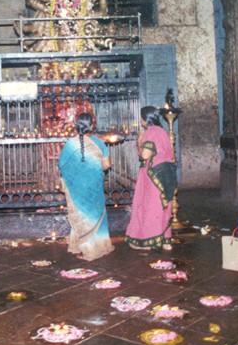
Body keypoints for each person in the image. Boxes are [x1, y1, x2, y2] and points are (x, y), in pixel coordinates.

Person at [58, 112, 114, 261]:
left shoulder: (70, 144)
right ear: (92, 125)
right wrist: (92, 167)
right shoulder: (99, 143)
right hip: (94, 185)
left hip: (77, 186)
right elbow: (107, 165)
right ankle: (95, 247)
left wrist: (78, 173)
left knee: (81, 214)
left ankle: (84, 248)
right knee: (95, 214)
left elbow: (62, 165)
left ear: (77, 125)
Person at [125, 106, 177, 252]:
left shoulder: (150, 132)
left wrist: (139, 142)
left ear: (144, 118)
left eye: (141, 117)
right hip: (167, 173)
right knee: (164, 207)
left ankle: (146, 242)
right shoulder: (162, 131)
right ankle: (166, 242)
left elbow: (145, 155)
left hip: (154, 175)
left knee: (150, 207)